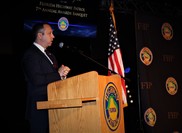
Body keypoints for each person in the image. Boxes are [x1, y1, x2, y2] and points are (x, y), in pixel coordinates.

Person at [21, 22, 71, 133]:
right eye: (50, 33)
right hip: (39, 107)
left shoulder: (51, 55)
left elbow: (52, 78)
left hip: (53, 105)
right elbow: (37, 79)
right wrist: (58, 74)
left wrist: (62, 77)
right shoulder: (30, 54)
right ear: (40, 35)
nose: (53, 36)